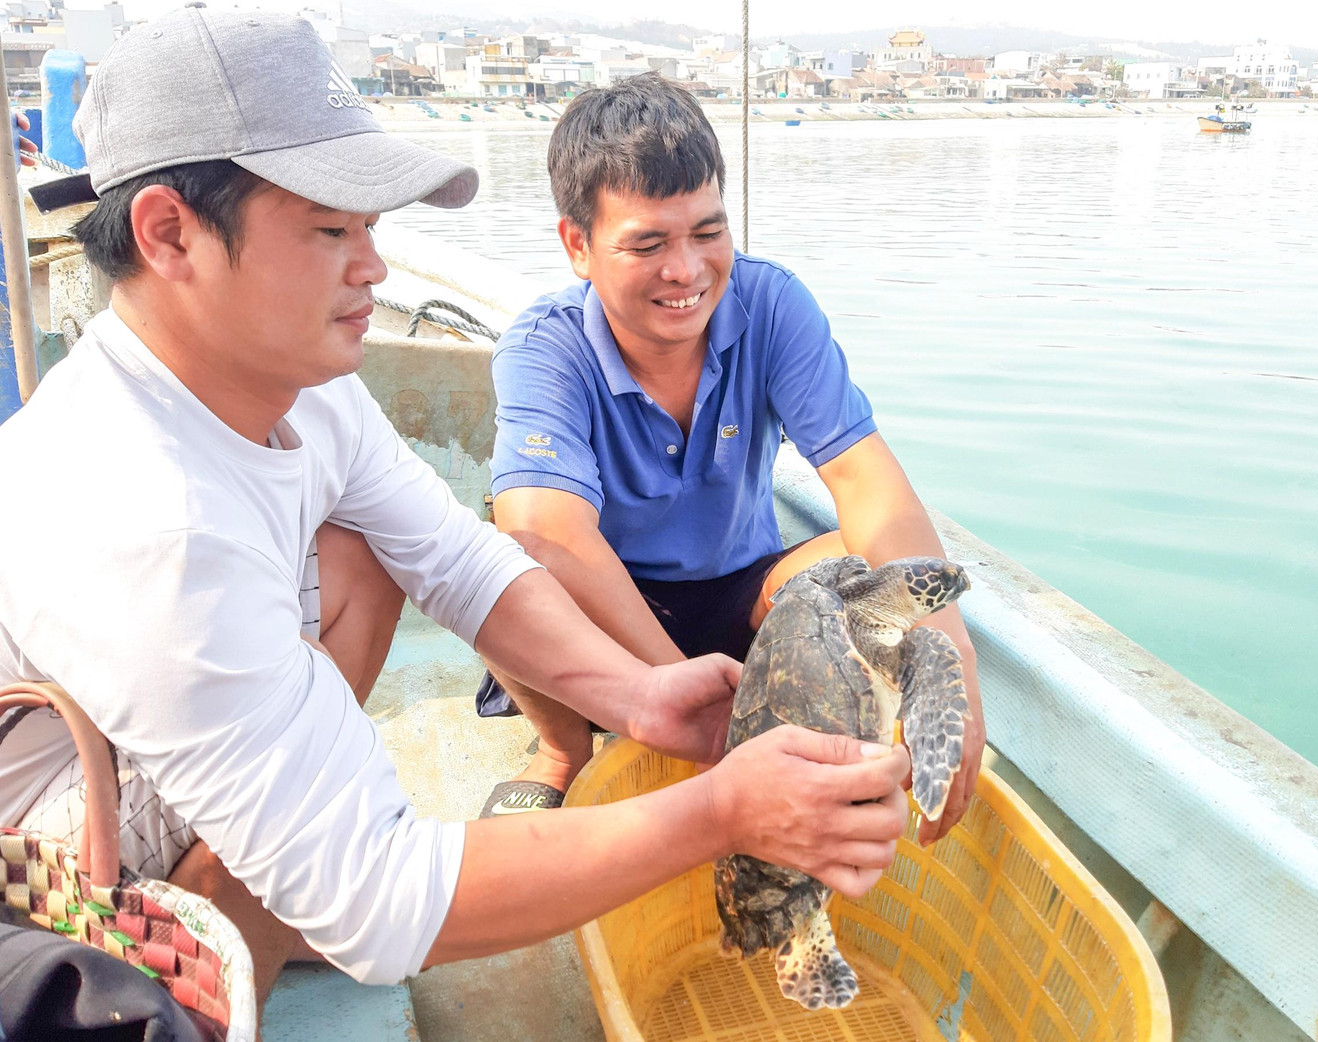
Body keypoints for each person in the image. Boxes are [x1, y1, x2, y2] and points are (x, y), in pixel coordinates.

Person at [0, 11, 911, 1016]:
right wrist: (719, 812)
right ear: (169, 233)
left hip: (154, 738)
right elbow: (385, 905)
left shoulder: (296, 380)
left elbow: (454, 559)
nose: (374, 269)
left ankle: (264, 889)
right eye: (330, 230)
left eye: (372, 230)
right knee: (363, 909)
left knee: (363, 549)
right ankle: (223, 925)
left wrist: (638, 697)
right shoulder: (141, 514)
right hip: (46, 854)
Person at [481, 73, 984, 844]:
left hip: (744, 591)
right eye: (647, 243)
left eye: (708, 233)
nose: (686, 271)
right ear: (578, 245)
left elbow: (865, 481)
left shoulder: (772, 304)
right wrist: (674, 692)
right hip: (608, 608)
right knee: (495, 554)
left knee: (863, 566)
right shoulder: (545, 346)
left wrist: (953, 664)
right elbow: (549, 531)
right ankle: (561, 745)